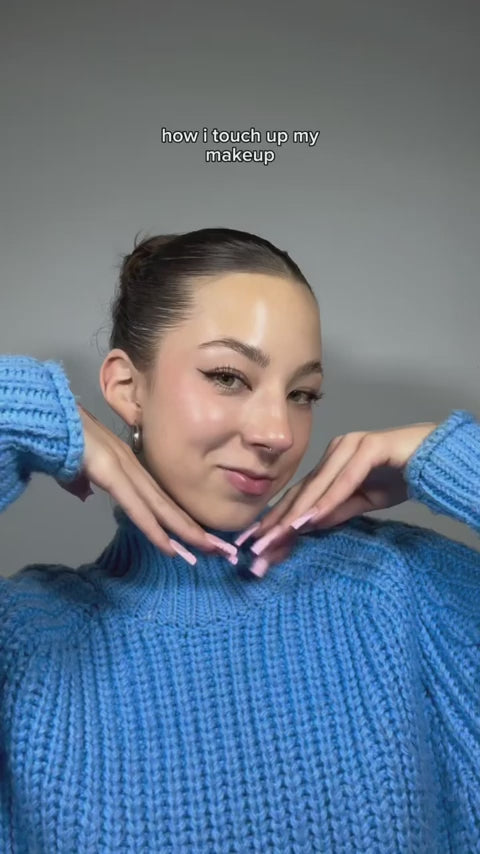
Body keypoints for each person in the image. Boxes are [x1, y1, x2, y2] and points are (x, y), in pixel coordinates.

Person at [0, 227, 478, 853]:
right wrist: (25, 414)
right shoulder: (28, 639)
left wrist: (446, 459)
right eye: (228, 377)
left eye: (302, 394)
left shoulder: (395, 589)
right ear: (127, 388)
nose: (279, 433)